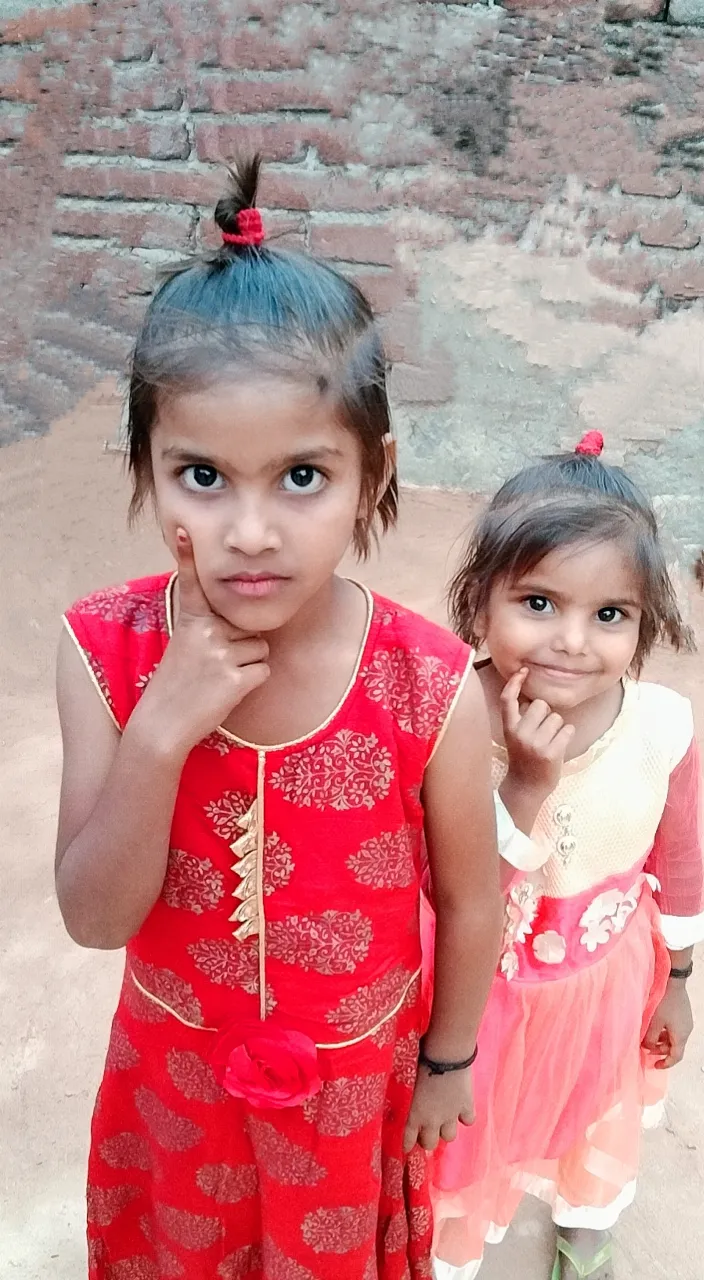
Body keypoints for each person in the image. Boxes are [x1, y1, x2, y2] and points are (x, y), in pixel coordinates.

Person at [54, 156, 503, 1280]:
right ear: (148, 474)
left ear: (371, 473)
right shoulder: (104, 652)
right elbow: (96, 918)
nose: (251, 530)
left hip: (352, 1097)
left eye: (301, 476)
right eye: (201, 474)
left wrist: (446, 1062)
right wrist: (162, 728)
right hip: (179, 1082)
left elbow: (467, 894)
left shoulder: (429, 681)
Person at [427, 432, 703, 1280]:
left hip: (604, 984)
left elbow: (683, 861)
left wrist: (680, 985)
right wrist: (528, 782)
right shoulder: (447, 721)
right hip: (479, 998)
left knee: (594, 1109)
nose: (572, 641)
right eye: (538, 602)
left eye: (609, 615)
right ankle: (449, 1253)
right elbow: (453, 891)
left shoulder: (662, 725)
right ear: (481, 603)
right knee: (464, 1139)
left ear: (644, 622)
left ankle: (586, 1220)